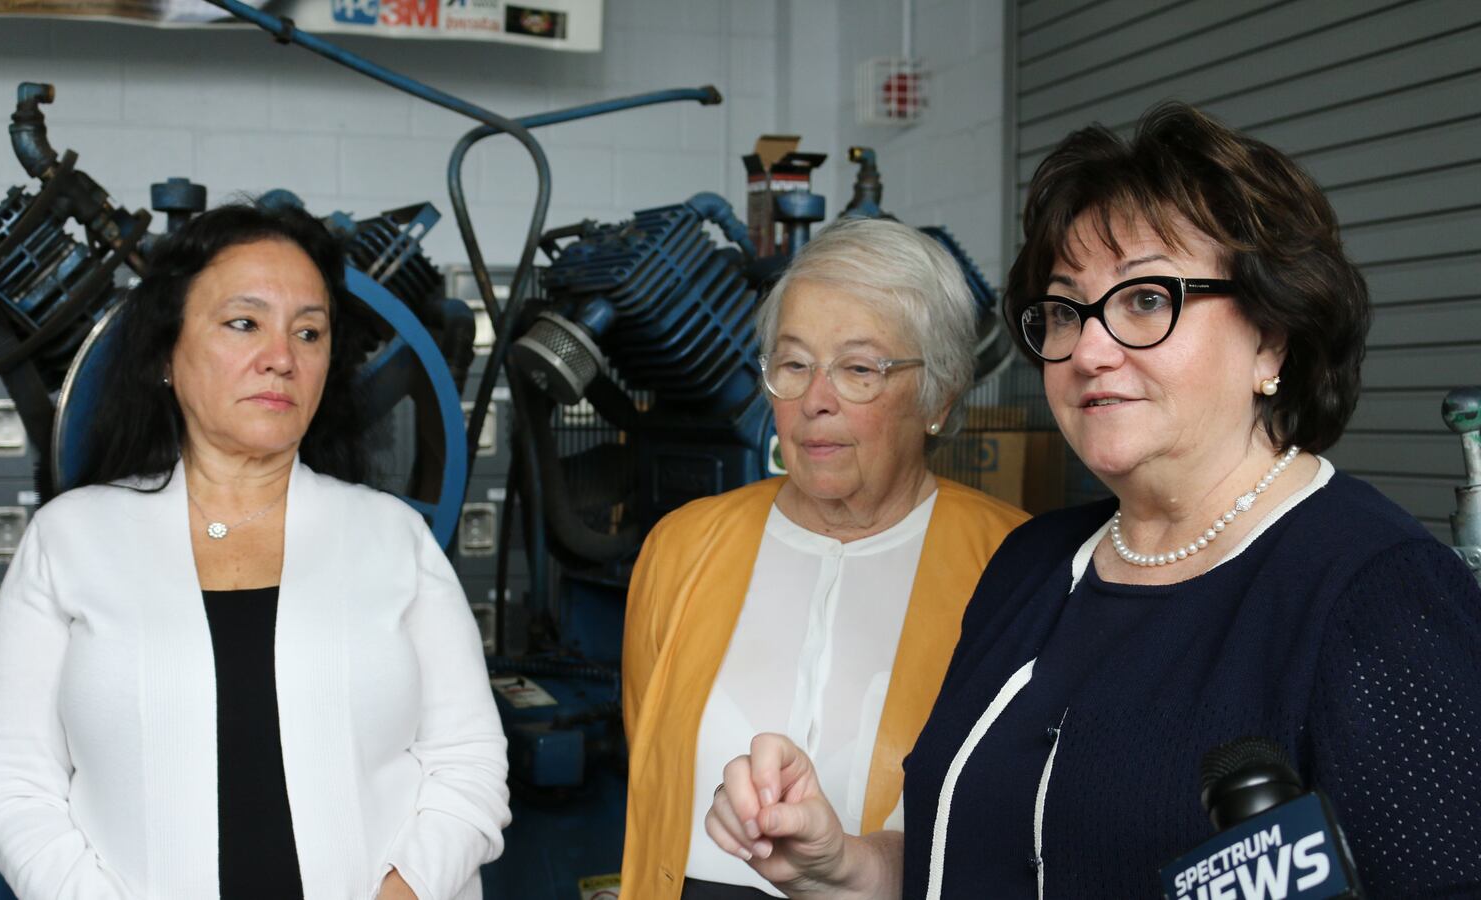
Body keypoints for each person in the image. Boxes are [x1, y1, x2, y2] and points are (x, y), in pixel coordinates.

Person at [704, 102, 1481, 898]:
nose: (1090, 349)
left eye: (1146, 299)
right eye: (1066, 309)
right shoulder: (1031, 566)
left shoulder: (1379, 598)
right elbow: (961, 858)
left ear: (1272, 336)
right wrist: (844, 868)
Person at [0, 203, 508, 900]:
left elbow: (468, 764)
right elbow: (16, 789)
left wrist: (403, 892)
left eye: (308, 332)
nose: (281, 357)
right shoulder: (70, 541)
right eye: (243, 323)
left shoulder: (392, 538)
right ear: (167, 352)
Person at [622, 217, 1028, 899]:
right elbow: (646, 764)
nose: (816, 401)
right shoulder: (681, 548)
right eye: (794, 364)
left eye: (860, 369)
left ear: (940, 395)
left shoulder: (1015, 565)